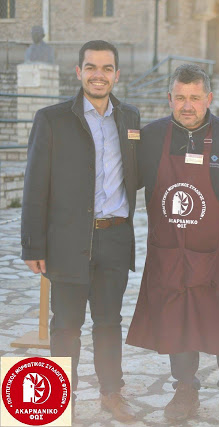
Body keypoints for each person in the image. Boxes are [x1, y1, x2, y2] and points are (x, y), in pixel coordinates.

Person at [127, 64, 219, 421]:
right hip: (168, 251)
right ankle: (185, 389)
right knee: (177, 318)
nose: (186, 106)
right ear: (169, 98)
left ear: (208, 98)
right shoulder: (153, 137)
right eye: (179, 98)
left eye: (194, 98)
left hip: (215, 253)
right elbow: (123, 180)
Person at [21, 40, 140, 422]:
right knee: (65, 325)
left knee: (109, 322)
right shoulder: (52, 119)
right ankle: (59, 401)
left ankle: (111, 393)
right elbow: (35, 185)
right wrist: (32, 245)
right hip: (69, 241)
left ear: (117, 75)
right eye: (91, 67)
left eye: (106, 68)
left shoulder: (131, 118)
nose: (98, 75)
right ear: (78, 72)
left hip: (115, 238)